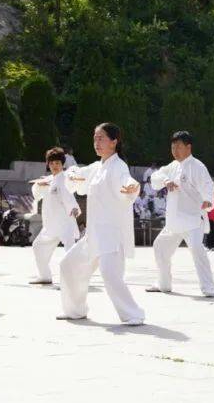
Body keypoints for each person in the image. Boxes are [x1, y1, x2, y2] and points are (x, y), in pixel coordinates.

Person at [57, 123, 144, 325]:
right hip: (94, 234)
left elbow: (127, 181)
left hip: (111, 235)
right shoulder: (98, 167)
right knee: (69, 265)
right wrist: (72, 175)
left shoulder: (118, 166)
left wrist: (131, 187)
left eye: (101, 138)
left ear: (114, 142)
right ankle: (75, 310)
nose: (97, 142)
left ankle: (133, 314)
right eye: (95, 138)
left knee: (110, 275)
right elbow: (76, 175)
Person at [146, 131, 214, 297]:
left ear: (188, 147)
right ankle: (163, 284)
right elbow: (156, 176)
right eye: (172, 147)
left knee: (197, 250)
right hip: (174, 221)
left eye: (178, 146)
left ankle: (208, 288)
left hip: (192, 220)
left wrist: (208, 200)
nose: (175, 150)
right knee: (160, 247)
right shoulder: (173, 166)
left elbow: (208, 186)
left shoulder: (197, 167)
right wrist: (165, 181)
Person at [29, 147, 82, 285]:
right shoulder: (47, 180)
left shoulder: (66, 179)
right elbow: (36, 193)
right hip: (51, 224)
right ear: (48, 164)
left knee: (70, 252)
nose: (54, 166)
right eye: (51, 163)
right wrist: (39, 185)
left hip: (65, 223)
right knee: (38, 246)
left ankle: (73, 280)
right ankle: (45, 276)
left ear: (62, 164)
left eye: (57, 163)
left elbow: (69, 195)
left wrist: (74, 208)